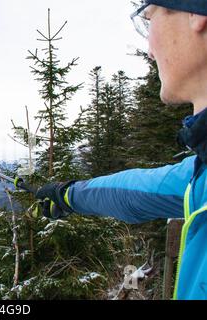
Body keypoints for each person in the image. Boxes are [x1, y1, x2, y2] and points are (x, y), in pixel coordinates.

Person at [34, 0, 207, 300]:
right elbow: (138, 191)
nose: (150, 50)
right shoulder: (200, 174)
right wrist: (69, 194)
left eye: (148, 18)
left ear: (196, 14)